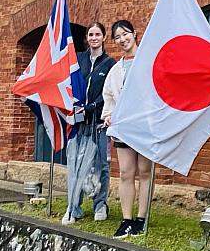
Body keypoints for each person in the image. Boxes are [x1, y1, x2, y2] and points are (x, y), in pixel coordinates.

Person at [102, 20, 152, 239]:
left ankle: (142, 218)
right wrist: (108, 117)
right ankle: (126, 219)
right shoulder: (115, 70)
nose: (123, 40)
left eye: (125, 34)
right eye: (118, 37)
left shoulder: (149, 62)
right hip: (124, 127)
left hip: (146, 125)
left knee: (145, 171)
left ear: (134, 34)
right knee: (125, 172)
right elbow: (109, 100)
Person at [62, 22, 116, 226]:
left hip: (99, 121)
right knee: (76, 163)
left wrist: (92, 107)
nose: (94, 37)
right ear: (87, 38)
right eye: (91, 34)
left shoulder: (110, 64)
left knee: (101, 164)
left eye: (98, 34)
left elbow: (109, 93)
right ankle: (74, 206)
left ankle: (100, 204)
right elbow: (68, 83)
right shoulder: (77, 59)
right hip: (78, 122)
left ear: (103, 38)